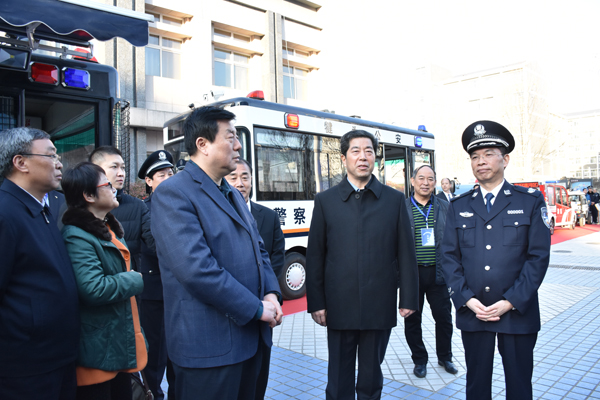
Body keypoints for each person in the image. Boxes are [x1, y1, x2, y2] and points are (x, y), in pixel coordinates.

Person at [151, 106, 282, 400]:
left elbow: (259, 249)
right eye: (231, 137)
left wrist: (272, 293)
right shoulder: (174, 193)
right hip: (209, 350)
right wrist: (257, 308)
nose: (238, 145)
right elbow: (197, 270)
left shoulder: (232, 192)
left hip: (253, 341)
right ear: (203, 144)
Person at [441, 120, 551, 400]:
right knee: (476, 385)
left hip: (516, 312)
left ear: (506, 159)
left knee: (519, 385)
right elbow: (449, 257)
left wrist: (511, 301)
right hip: (474, 311)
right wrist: (465, 299)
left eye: (489, 154)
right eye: (475, 156)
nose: (481, 161)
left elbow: (537, 257)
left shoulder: (529, 201)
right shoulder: (459, 205)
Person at [306, 130, 419, 400]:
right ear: (344, 158)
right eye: (355, 151)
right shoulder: (326, 201)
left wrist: (409, 298)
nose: (362, 157)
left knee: (371, 376)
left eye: (368, 151)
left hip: (378, 303)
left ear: (375, 157)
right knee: (338, 377)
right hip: (338, 304)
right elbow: (315, 255)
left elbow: (406, 252)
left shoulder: (393, 201)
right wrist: (317, 302)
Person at [0, 127, 79, 400]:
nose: (59, 163)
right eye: (51, 155)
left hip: (56, 358)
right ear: (21, 162)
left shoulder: (41, 208)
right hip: (26, 367)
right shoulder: (5, 212)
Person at [61, 162, 147, 400]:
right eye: (107, 184)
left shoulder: (107, 228)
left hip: (116, 346)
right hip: (98, 352)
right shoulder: (77, 235)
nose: (113, 187)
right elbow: (92, 288)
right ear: (89, 195)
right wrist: (134, 279)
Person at [225, 158, 285, 399]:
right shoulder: (218, 214)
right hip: (232, 308)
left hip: (264, 308)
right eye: (233, 178)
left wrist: (268, 292)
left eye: (245, 177)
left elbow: (276, 256)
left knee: (259, 373)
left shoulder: (268, 216)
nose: (240, 183)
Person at [404, 165, 457, 378]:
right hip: (412, 275)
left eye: (431, 179)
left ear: (435, 182)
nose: (426, 182)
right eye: (422, 178)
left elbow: (454, 240)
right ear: (413, 181)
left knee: (444, 318)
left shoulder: (445, 207)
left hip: (439, 274)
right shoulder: (402, 207)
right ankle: (419, 360)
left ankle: (445, 357)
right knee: (412, 320)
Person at [137, 150, 176, 400]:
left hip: (182, 294)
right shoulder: (143, 210)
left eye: (171, 173)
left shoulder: (185, 205)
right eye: (162, 175)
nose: (169, 178)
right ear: (149, 182)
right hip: (154, 295)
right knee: (154, 357)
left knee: (179, 355)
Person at [89, 146, 154, 271]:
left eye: (123, 168)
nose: (121, 173)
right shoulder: (79, 205)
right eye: (114, 167)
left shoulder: (137, 206)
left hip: (130, 283)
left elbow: (156, 243)